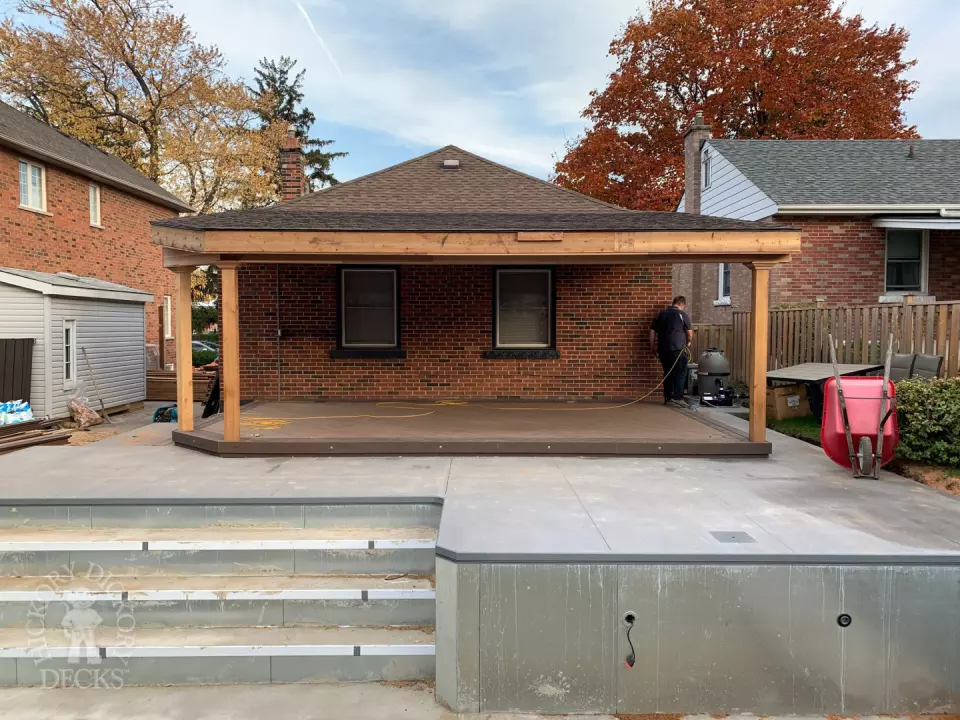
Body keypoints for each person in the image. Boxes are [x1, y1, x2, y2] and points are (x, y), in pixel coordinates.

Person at [649, 296, 693, 408]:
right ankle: (678, 398)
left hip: (663, 350)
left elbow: (652, 330)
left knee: (668, 373)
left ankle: (668, 398)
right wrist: (688, 342)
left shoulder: (661, 314)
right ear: (682, 305)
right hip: (678, 349)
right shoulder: (682, 314)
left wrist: (653, 346)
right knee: (680, 373)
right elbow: (689, 333)